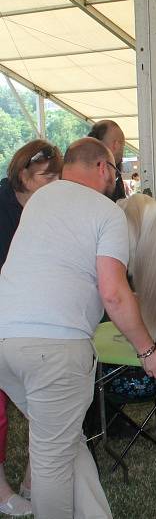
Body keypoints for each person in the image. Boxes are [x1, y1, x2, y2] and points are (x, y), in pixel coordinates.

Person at [0, 137, 156, 519]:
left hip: (5, 337)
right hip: (53, 346)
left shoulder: (40, 199)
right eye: (115, 170)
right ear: (103, 169)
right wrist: (147, 350)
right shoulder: (107, 213)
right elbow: (114, 293)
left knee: (63, 440)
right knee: (52, 458)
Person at [0, 140, 63, 517]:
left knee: (47, 407)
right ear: (23, 175)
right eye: (47, 176)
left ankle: (32, 479)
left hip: (34, 321)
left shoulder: (49, 206)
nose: (55, 182)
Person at [87, 120, 127, 202]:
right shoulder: (110, 175)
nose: (123, 152)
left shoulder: (82, 167)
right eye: (123, 145)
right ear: (116, 145)